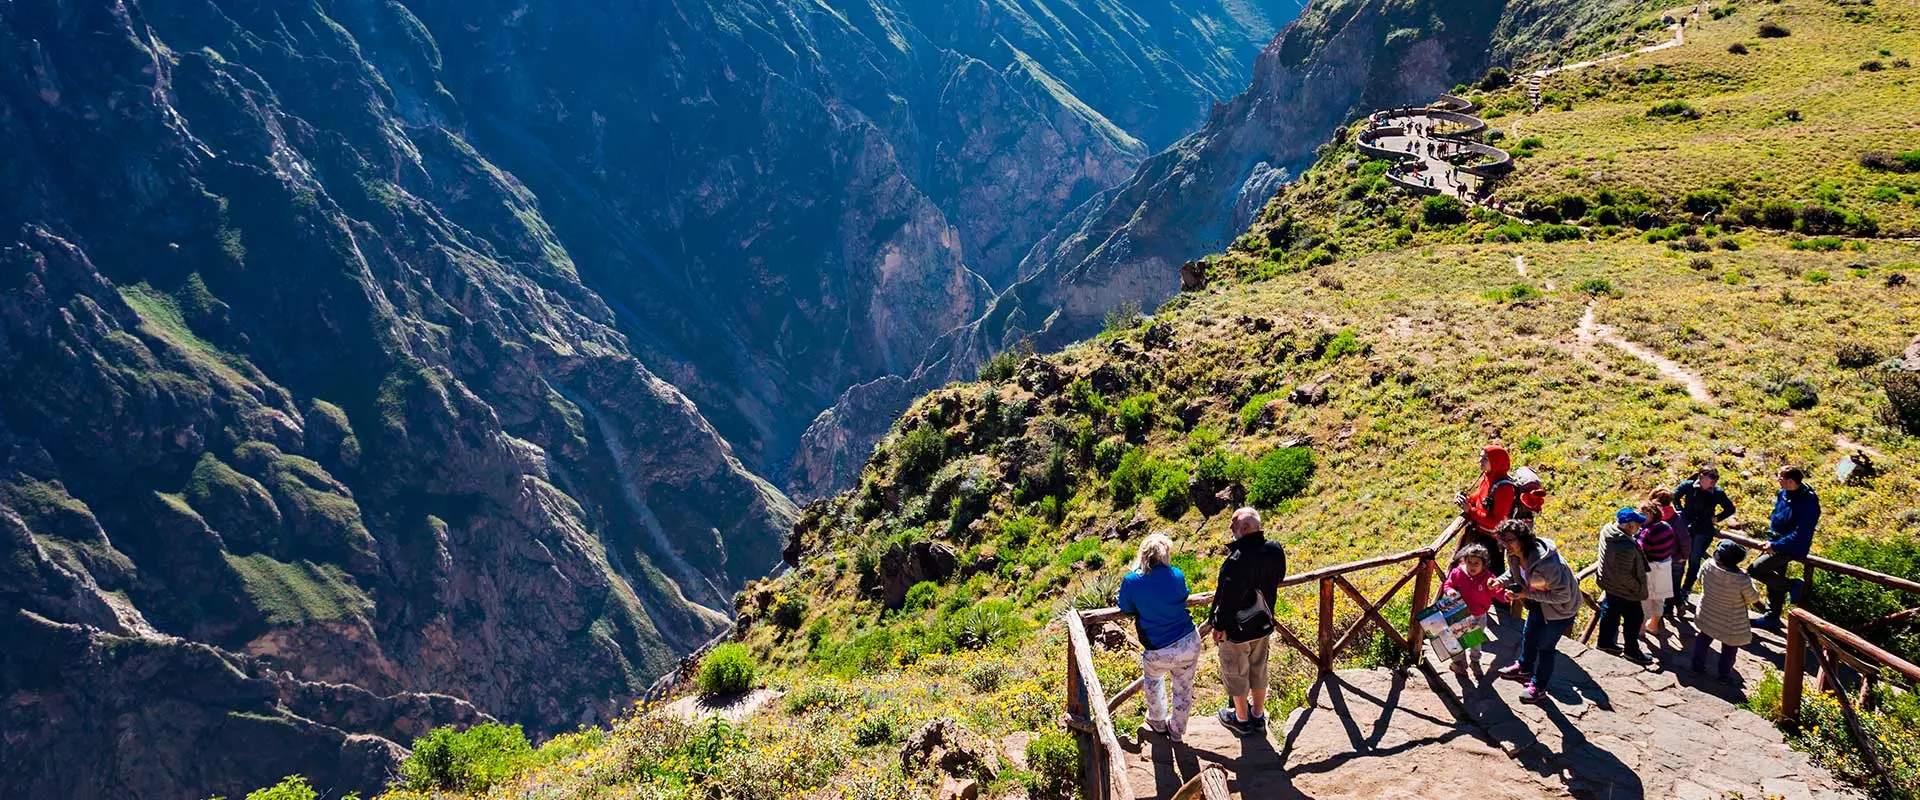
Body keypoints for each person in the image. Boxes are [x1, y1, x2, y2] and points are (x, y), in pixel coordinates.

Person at [1206, 507, 1287, 736]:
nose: (1231, 533)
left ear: (1244, 528)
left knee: (1235, 671)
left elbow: (1227, 599)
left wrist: (1218, 626)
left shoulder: (1236, 559)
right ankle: (1258, 715)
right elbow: (1278, 577)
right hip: (1263, 622)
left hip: (1237, 629)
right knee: (1259, 668)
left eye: (1233, 528)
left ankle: (1241, 719)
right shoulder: (1274, 549)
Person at [1117, 533, 1200, 743]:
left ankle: (1158, 721)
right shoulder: (1176, 574)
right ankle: (1177, 731)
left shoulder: (1132, 581)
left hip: (1158, 647)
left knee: (1153, 681)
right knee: (1183, 687)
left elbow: (1125, 607)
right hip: (1188, 640)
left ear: (1143, 554)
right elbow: (1184, 594)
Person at [1493, 519, 1580, 704]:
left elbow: (1562, 596)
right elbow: (1514, 572)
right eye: (1502, 540)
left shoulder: (1547, 564)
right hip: (1539, 603)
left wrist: (1525, 594)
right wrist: (1500, 581)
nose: (1504, 544)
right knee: (1529, 634)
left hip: (1560, 609)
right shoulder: (1515, 554)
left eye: (1508, 539)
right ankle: (1524, 668)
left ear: (1523, 539)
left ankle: (1538, 687)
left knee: (1545, 647)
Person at [1752, 466, 1820, 628]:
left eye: (1780, 477)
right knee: (1774, 579)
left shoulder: (1808, 501)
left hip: (1791, 546)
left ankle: (1793, 585)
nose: (1777, 479)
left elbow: (1802, 532)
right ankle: (1772, 617)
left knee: (1756, 569)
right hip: (1775, 541)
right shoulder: (1783, 493)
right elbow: (1778, 516)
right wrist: (1771, 539)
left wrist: (1776, 544)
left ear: (1790, 481)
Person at [1693, 541, 1763, 682]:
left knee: (1703, 637)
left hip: (1708, 611)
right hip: (1730, 620)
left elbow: (1699, 578)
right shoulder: (1741, 579)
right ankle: (1724, 675)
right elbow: (1753, 597)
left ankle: (1697, 665)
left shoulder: (1707, 565)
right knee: (1729, 648)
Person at [1595, 508, 1654, 665]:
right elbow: (1624, 576)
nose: (1639, 528)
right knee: (1635, 618)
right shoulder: (1625, 548)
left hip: (1609, 584)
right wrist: (1638, 588)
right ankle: (1631, 651)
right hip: (1625, 590)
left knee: (1610, 613)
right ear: (1629, 526)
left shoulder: (1608, 531)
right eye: (1637, 525)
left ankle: (1605, 644)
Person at [1674, 467, 1736, 615]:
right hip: (1687, 528)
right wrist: (1680, 512)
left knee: (1694, 560)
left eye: (1716, 477)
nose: (1714, 480)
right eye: (1711, 477)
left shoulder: (1717, 492)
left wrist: (1717, 518)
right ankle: (1675, 592)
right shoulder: (1688, 486)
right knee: (1680, 559)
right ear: (1701, 476)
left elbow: (1730, 508)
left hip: (1704, 530)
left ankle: (1685, 590)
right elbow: (1675, 496)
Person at [1456, 445, 1516, 577]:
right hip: (1480, 534)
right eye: (1480, 457)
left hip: (1492, 541)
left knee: (1492, 576)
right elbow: (1480, 496)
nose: (1480, 461)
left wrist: (1470, 511)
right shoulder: (1489, 477)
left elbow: (1496, 523)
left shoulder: (1504, 489)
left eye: (1485, 458)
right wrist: (1466, 499)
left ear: (1496, 462)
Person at [1443, 543, 1500, 675]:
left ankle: (1475, 661)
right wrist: (1450, 590)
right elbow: (1448, 584)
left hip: (1479, 614)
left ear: (1484, 565)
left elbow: (1497, 591)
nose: (1472, 566)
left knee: (1475, 640)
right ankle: (1458, 663)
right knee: (1458, 637)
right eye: (1469, 562)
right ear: (1464, 561)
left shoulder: (1488, 578)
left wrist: (1505, 595)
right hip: (1460, 612)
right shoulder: (1458, 573)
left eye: (1476, 563)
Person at [1638, 497, 1679, 640]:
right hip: (1665, 565)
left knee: (1645, 599)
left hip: (1650, 567)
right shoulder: (1667, 526)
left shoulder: (1647, 532)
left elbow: (1641, 550)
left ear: (1650, 514)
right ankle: (1654, 625)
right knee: (1659, 597)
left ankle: (1641, 628)